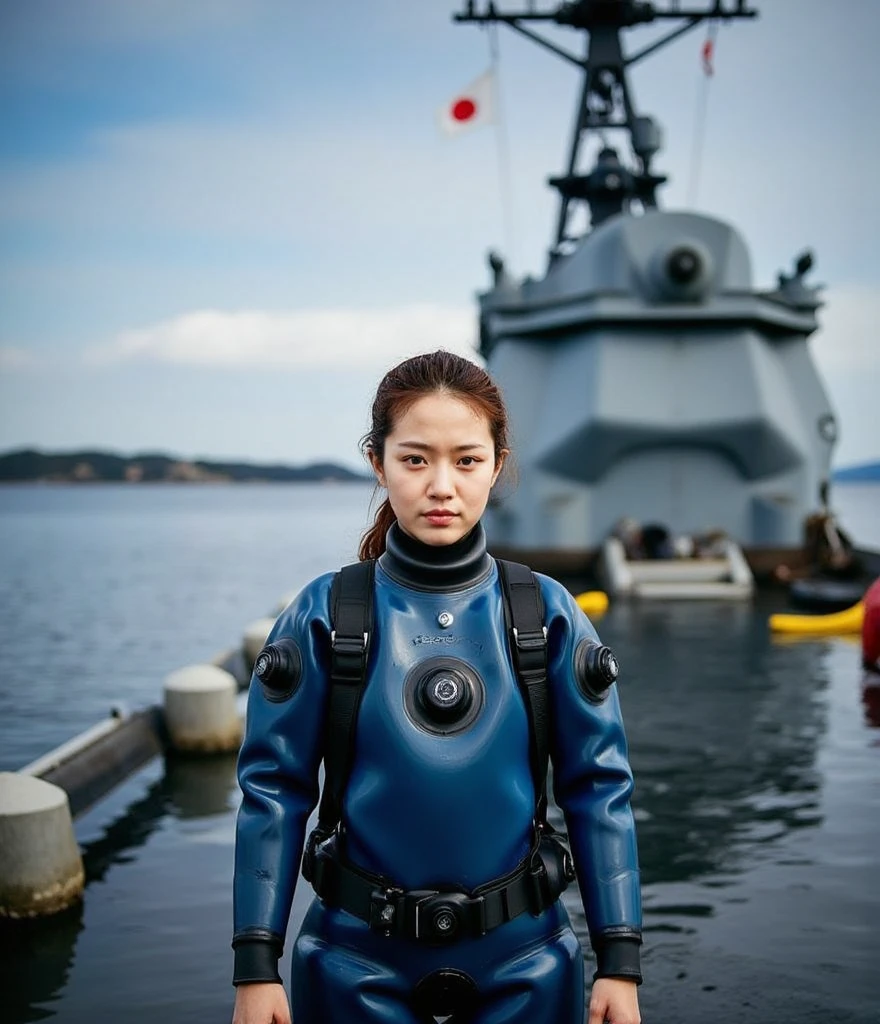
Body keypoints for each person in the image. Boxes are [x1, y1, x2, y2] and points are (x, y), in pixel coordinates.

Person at [231, 351, 642, 1024]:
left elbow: (600, 789)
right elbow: (273, 792)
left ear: (498, 463)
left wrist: (619, 963)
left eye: (468, 460)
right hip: (353, 964)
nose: (442, 486)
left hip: (525, 965)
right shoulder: (325, 614)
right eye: (416, 459)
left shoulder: (544, 612)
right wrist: (255, 967)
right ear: (378, 461)